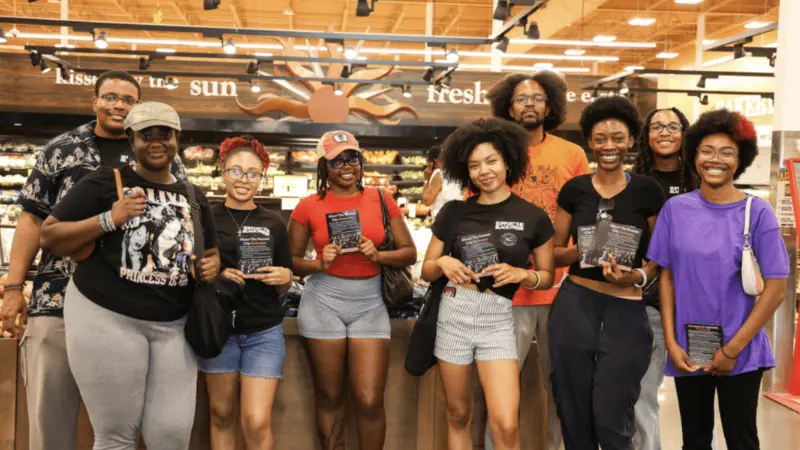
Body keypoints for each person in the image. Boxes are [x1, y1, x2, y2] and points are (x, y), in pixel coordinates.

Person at [0, 71, 185, 450]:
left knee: (124, 423)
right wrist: (14, 288)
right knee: (51, 413)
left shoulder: (164, 157)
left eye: (127, 99)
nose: (118, 105)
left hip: (132, 307)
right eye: (110, 97)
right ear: (94, 102)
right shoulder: (61, 149)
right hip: (56, 297)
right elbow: (33, 220)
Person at [38, 102, 220, 450]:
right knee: (116, 436)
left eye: (163, 134)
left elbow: (209, 254)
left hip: (174, 325)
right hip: (106, 316)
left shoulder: (194, 195)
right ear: (131, 140)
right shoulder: (107, 181)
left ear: (176, 139)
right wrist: (110, 218)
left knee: (171, 437)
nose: (156, 142)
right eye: (145, 135)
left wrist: (211, 268)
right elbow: (50, 235)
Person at [647, 109, 789, 450]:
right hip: (689, 349)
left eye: (727, 153)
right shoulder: (676, 210)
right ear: (694, 155)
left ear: (740, 161)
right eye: (707, 150)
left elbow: (777, 289)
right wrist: (671, 341)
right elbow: (666, 278)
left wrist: (732, 349)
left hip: (742, 350)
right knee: (694, 440)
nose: (716, 160)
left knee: (742, 439)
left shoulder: (758, 213)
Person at [422, 118, 556, 450]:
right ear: (464, 171)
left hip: (498, 319)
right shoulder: (454, 212)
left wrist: (524, 275)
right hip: (454, 313)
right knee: (457, 414)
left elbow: (546, 276)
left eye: (491, 160)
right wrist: (442, 262)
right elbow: (426, 270)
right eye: (474, 165)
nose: (484, 171)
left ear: (508, 161)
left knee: (506, 423)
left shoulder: (533, 217)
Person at [287, 131, 417, 450]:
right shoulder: (307, 206)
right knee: (330, 396)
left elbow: (410, 253)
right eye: (336, 160)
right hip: (322, 303)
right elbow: (289, 261)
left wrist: (378, 255)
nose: (346, 166)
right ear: (323, 166)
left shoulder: (382, 198)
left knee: (370, 399)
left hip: (371, 303)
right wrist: (318, 263)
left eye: (352, 157)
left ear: (361, 160)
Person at [549, 95, 665, 450]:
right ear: (589, 142)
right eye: (600, 139)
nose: (609, 146)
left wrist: (636, 277)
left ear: (632, 140)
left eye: (618, 137)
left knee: (613, 414)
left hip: (627, 310)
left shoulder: (647, 190)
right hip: (575, 304)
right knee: (573, 410)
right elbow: (553, 254)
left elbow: (660, 257)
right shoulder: (575, 190)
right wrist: (586, 247)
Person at [484, 70, 590, 450]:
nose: (530, 104)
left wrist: (574, 254)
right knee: (499, 392)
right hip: (503, 293)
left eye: (538, 97)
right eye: (521, 98)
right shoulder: (491, 152)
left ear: (550, 105)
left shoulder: (572, 154)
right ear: (508, 107)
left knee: (562, 388)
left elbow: (586, 217)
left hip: (561, 292)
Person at [200, 136, 294, 450]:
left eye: (253, 173)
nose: (244, 180)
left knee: (256, 420)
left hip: (263, 330)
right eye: (236, 171)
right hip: (219, 329)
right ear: (222, 171)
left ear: (262, 177)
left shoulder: (275, 223)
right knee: (221, 414)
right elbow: (192, 275)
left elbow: (284, 282)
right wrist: (216, 276)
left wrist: (285, 276)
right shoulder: (206, 218)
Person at [631, 107, 694, 450]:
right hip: (646, 304)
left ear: (685, 133)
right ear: (646, 135)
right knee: (642, 393)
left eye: (673, 126)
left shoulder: (702, 178)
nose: (665, 132)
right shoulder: (634, 183)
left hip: (696, 306)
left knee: (697, 395)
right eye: (657, 126)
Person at [422, 145, 464, 218]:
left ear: (433, 160)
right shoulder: (456, 172)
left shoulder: (439, 174)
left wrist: (426, 179)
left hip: (442, 219)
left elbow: (427, 201)